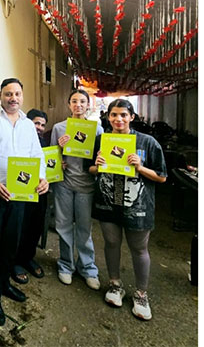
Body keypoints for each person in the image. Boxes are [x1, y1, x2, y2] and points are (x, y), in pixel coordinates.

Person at [0, 78, 49, 326]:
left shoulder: (28, 124)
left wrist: (43, 177)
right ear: (0, 96)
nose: (13, 98)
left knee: (10, 244)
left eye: (17, 93)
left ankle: (4, 283)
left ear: (22, 96)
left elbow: (36, 154)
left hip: (19, 193)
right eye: (8, 94)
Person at [88, 99, 167, 321]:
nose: (118, 119)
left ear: (132, 117)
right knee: (111, 243)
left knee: (139, 249)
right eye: (114, 115)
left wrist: (140, 168)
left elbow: (162, 176)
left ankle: (141, 294)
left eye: (123, 115)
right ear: (108, 117)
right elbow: (91, 169)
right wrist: (98, 165)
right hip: (108, 202)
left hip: (137, 207)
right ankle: (115, 284)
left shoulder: (147, 142)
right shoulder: (101, 140)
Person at [50, 89, 102, 290]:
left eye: (82, 101)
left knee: (84, 228)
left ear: (88, 105)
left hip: (86, 186)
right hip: (64, 184)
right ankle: (66, 265)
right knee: (63, 225)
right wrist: (60, 154)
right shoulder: (59, 128)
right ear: (68, 104)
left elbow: (101, 157)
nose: (78, 104)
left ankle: (88, 268)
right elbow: (51, 158)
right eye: (74, 101)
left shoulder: (97, 129)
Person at [12, 109, 49, 284]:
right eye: (36, 123)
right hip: (21, 189)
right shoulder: (20, 136)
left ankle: (28, 257)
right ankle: (15, 262)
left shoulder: (47, 142)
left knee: (36, 226)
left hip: (39, 189)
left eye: (42, 125)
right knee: (21, 226)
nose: (39, 127)